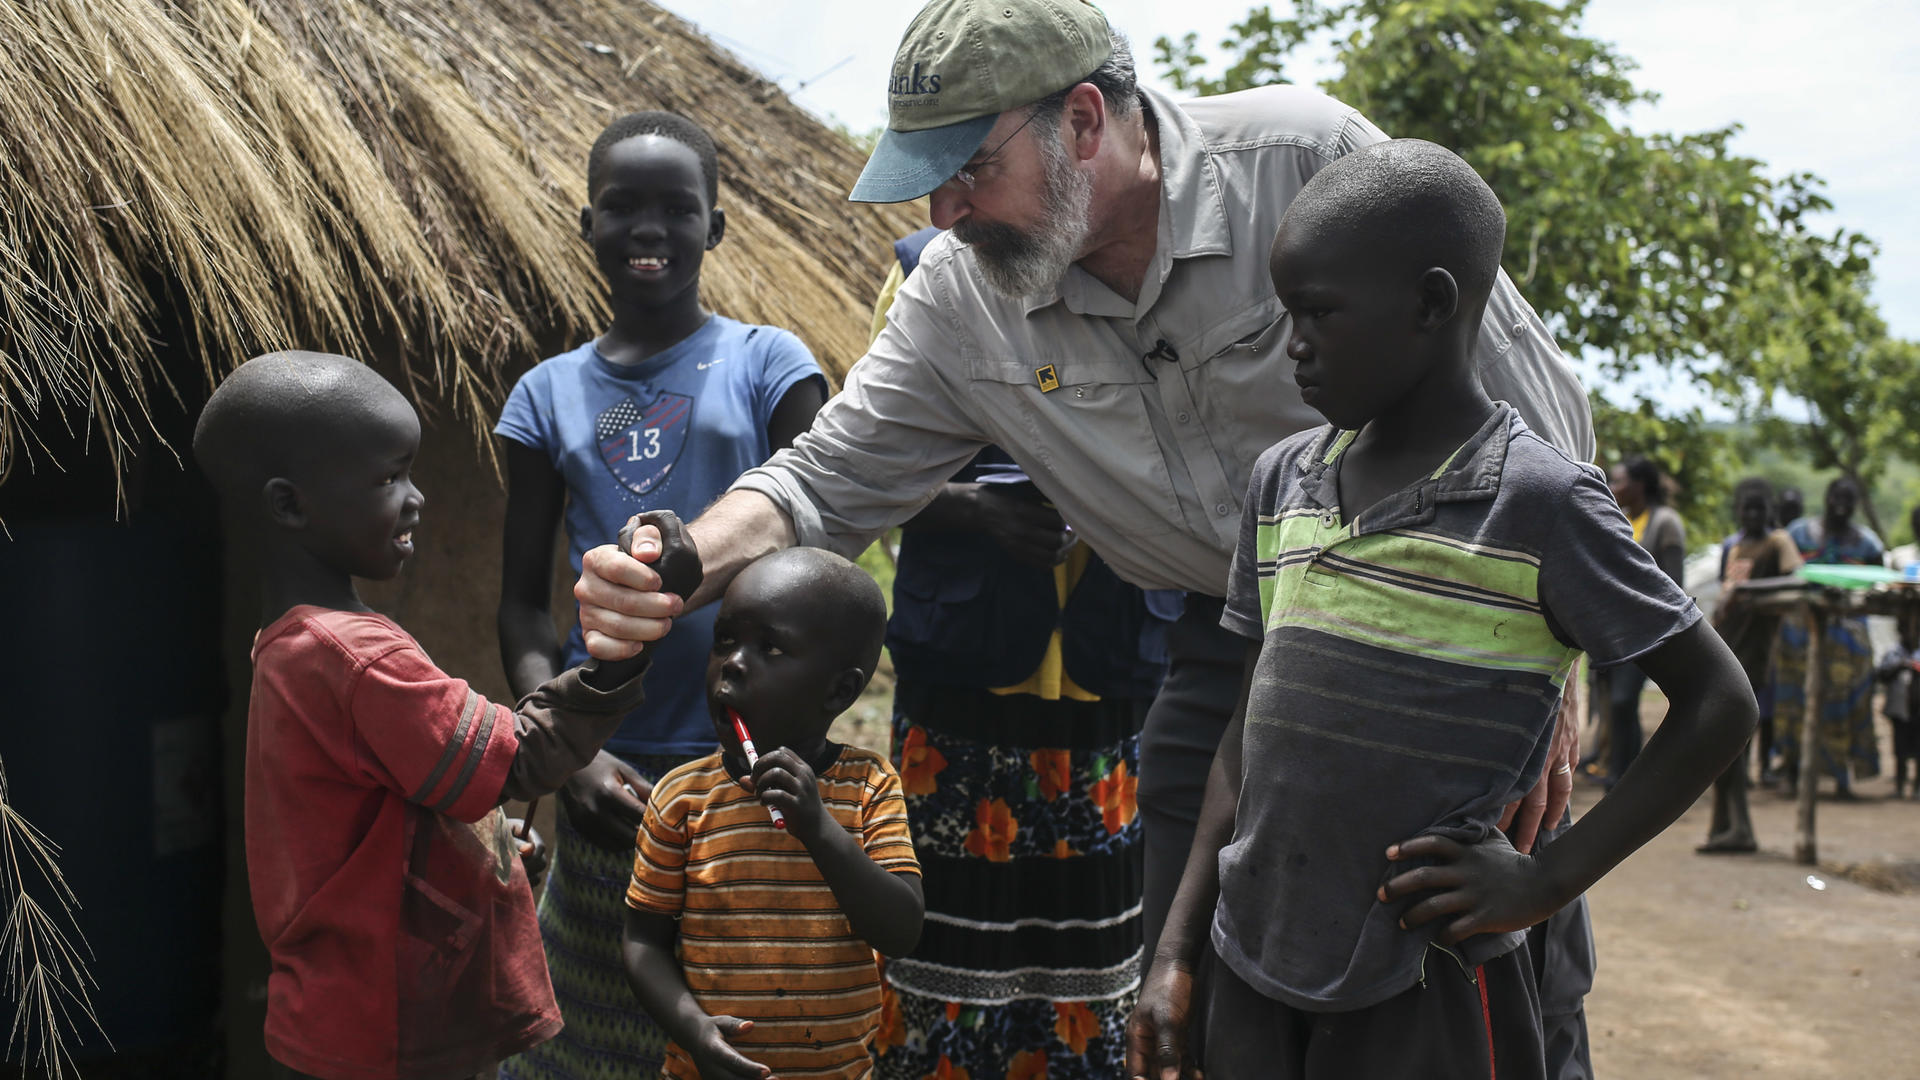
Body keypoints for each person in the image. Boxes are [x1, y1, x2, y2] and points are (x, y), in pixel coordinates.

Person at [572, 1, 1601, 1070]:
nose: (947, 207)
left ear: (1081, 121)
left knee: (1477, 982)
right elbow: (825, 479)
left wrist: (1533, 669)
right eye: (930, 178)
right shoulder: (960, 297)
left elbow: (1540, 424)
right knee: (1198, 998)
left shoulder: (1307, 163)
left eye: (971, 166)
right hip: (1222, 644)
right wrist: (678, 561)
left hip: (1438, 640)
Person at [1124, 140, 1755, 1080]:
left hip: (1423, 984)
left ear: (1430, 303)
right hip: (1253, 958)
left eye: (1320, 314)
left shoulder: (1541, 505)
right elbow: (1242, 738)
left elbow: (1719, 703)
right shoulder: (1283, 484)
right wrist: (1175, 953)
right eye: (1287, 312)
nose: (1292, 344)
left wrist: (1544, 880)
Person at [191, 351, 695, 1080]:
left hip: (343, 1018)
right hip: (398, 1032)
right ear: (290, 505)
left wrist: (475, 849)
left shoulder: (293, 644)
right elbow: (518, 759)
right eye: (388, 478)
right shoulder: (359, 658)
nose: (417, 498)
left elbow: (374, 814)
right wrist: (618, 657)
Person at [493, 111, 826, 1080]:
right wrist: (562, 756)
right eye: (623, 207)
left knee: (743, 1042)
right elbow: (522, 607)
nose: (650, 229)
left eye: (678, 209)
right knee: (583, 1048)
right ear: (585, 225)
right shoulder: (544, 395)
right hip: (615, 777)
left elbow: (825, 543)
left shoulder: (771, 365)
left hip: (753, 776)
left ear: (715, 228)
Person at [869, 227, 1175, 1079]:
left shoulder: (1171, 280)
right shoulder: (928, 276)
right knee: (941, 955)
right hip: (961, 685)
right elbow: (865, 462)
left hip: (1108, 678)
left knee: (1094, 965)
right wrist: (975, 508)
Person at [621, 548, 924, 1080]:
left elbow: (900, 930)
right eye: (725, 640)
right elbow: (643, 941)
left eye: (770, 647)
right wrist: (693, 1029)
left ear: (840, 690)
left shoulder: (868, 789)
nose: (733, 662)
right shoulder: (681, 799)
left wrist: (818, 828)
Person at [1700, 478, 1802, 852]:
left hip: (1756, 652)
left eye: (1760, 508)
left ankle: (1739, 828)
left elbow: (1795, 581)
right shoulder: (1736, 544)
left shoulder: (1778, 542)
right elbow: (1729, 589)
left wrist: (1750, 592)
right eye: (1747, 508)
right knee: (1722, 742)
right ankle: (1724, 826)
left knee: (1735, 740)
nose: (1753, 515)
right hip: (1728, 644)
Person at [1777, 477, 1885, 796]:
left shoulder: (1868, 543)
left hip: (1848, 634)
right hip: (1798, 631)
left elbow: (1877, 585)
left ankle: (1841, 776)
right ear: (1826, 497)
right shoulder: (1798, 533)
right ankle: (1793, 772)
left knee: (1847, 700)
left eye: (1849, 499)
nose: (1842, 505)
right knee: (1796, 699)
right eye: (1837, 497)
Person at [1601, 456, 1687, 788]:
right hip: (1616, 630)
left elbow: (1674, 582)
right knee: (1617, 706)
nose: (1612, 488)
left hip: (1649, 631)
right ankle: (1617, 773)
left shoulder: (1666, 522)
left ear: (1640, 485)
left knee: (1623, 701)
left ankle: (1629, 777)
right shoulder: (1622, 519)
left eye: (1619, 481)